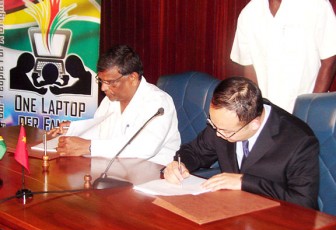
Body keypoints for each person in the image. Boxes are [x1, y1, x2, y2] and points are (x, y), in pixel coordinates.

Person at [164, 76, 319, 209]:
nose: (217, 134)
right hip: (230, 213)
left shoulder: (299, 140)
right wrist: (179, 164)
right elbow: (195, 152)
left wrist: (245, 182)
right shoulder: (222, 124)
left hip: (277, 224)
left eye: (226, 131)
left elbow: (304, 202)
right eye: (213, 124)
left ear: (254, 124)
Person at [49, 45, 181, 165]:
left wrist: (89, 147)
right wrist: (73, 131)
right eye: (101, 81)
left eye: (110, 82)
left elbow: (144, 148)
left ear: (132, 78)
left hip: (154, 176)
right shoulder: (110, 100)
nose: (103, 88)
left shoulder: (159, 103)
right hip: (114, 171)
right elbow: (99, 134)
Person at [230, 0, 336, 112]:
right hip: (268, 112)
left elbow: (330, 60)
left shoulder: (316, 5)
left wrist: (310, 109)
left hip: (306, 110)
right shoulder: (249, 13)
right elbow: (248, 66)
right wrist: (257, 109)